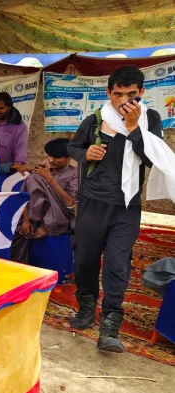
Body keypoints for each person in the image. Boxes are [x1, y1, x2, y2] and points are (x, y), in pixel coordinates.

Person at [67, 65, 163, 353]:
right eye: (117, 94)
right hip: (92, 202)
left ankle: (109, 327)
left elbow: (151, 159)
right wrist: (86, 153)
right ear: (108, 93)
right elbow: (73, 148)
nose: (124, 102)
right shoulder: (96, 120)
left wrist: (134, 129)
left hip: (127, 206)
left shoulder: (150, 119)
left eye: (131, 95)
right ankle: (85, 309)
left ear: (142, 92)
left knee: (117, 266)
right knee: (84, 260)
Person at [10, 138, 78, 264]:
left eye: (56, 157)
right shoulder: (41, 171)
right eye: (49, 156)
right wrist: (25, 220)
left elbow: (70, 203)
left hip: (60, 216)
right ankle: (20, 267)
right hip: (34, 215)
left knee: (36, 178)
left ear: (69, 158)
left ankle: (43, 225)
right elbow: (25, 197)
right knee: (17, 228)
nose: (51, 160)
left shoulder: (75, 173)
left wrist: (49, 179)